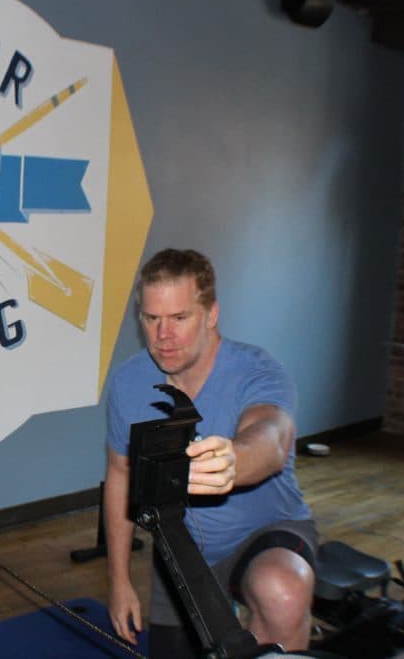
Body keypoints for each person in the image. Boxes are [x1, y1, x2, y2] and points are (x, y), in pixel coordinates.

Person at [104, 249, 316, 657]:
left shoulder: (257, 370)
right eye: (152, 319)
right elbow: (119, 474)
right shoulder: (129, 383)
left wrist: (235, 459)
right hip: (181, 549)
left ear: (211, 314)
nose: (163, 335)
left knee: (282, 591)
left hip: (263, 531)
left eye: (179, 318)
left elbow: (272, 435)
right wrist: (119, 580)